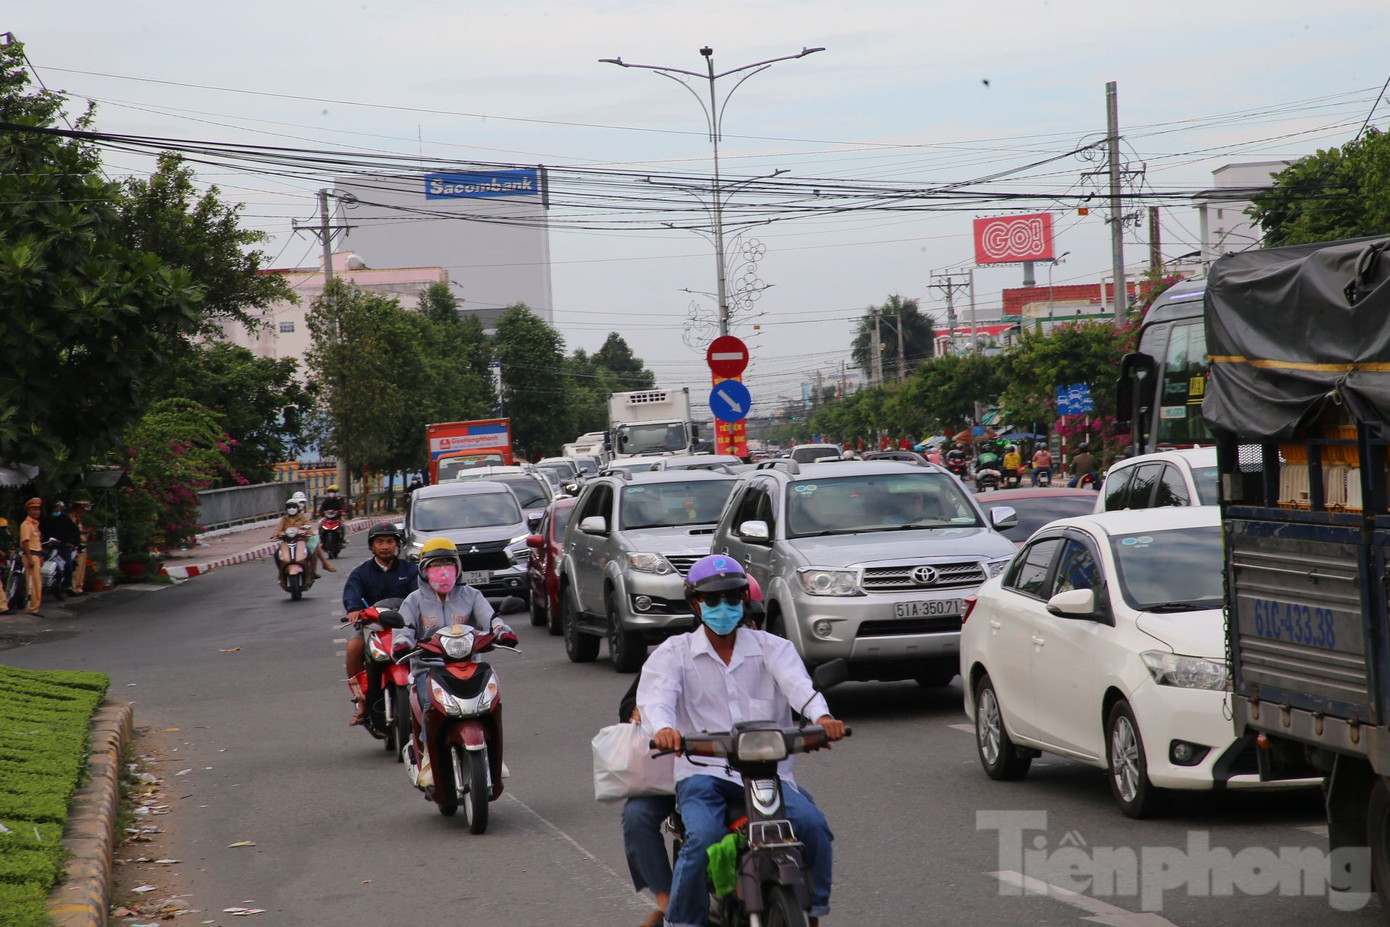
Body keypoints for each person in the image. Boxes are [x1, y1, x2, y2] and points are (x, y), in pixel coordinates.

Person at [639, 555, 845, 927]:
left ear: (743, 602)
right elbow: (657, 699)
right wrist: (664, 730)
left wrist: (823, 719)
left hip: (770, 776)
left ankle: (813, 911)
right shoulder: (674, 653)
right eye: (712, 600)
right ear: (694, 604)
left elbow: (800, 687)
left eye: (732, 599)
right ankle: (681, 922)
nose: (723, 607)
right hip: (704, 776)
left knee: (813, 826)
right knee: (702, 839)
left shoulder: (772, 647)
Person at [393, 537, 518, 788]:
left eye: (447, 563)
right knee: (430, 703)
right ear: (423, 569)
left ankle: (493, 753)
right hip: (429, 669)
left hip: (470, 665)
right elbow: (404, 630)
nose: (442, 569)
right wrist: (402, 643)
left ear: (458, 567)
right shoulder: (413, 600)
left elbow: (491, 619)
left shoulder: (472, 595)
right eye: (435, 564)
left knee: (492, 699)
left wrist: (502, 631)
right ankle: (429, 756)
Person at [340, 523, 419, 728]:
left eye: (390, 541)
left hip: (406, 626)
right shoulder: (361, 573)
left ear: (398, 544)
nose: (385, 546)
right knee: (353, 648)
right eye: (380, 542)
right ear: (372, 546)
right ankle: (362, 702)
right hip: (371, 625)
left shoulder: (411, 570)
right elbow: (352, 593)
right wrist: (353, 608)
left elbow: (420, 595)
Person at [270, 498, 335, 579]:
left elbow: (309, 529)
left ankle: (312, 570)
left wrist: (307, 532)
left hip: (301, 542)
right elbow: (278, 529)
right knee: (277, 554)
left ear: (297, 508)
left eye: (294, 507)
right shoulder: (284, 519)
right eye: (289, 507)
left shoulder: (302, 518)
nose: (292, 509)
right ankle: (281, 573)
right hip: (287, 543)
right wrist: (275, 534)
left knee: (310, 552)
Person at [19, 497, 44, 615]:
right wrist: (29, 558)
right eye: (33, 509)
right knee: (33, 583)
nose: (36, 512)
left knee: (37, 583)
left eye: (38, 509)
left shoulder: (34, 524)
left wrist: (40, 557)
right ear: (28, 511)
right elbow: (25, 542)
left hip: (36, 555)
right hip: (31, 556)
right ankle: (31, 608)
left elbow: (37, 542)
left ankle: (35, 607)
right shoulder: (26, 524)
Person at [67, 501, 94, 594]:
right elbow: (75, 531)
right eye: (82, 509)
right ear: (77, 508)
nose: (83, 511)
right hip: (77, 545)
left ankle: (79, 587)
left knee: (82, 568)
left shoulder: (78, 518)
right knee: (77, 568)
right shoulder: (72, 517)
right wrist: (86, 530)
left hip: (82, 543)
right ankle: (74, 587)